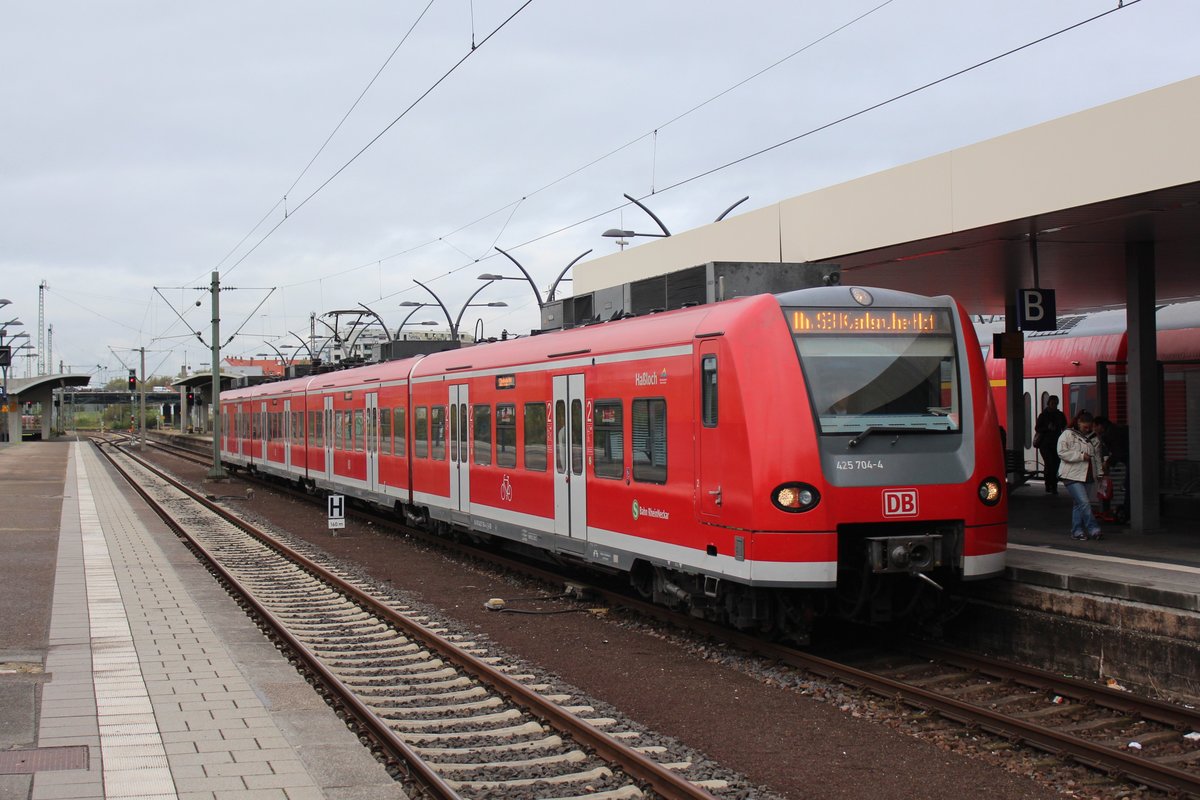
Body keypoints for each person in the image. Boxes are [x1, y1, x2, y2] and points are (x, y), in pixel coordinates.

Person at [1057, 410, 1104, 541]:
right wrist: (1081, 456)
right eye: (1085, 427)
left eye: (1089, 427)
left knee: (1079, 504)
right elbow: (1061, 452)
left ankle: (1077, 531)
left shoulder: (1094, 438)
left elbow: (1097, 457)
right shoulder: (1068, 434)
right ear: (1079, 423)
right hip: (1071, 475)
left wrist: (1099, 472)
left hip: (1088, 475)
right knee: (1084, 503)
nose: (1087, 429)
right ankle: (1094, 529)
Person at [1034, 395, 1068, 493]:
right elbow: (1037, 428)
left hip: (1057, 443)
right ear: (1048, 403)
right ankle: (1049, 485)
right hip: (1045, 444)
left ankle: (1053, 484)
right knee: (1049, 464)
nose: (1054, 405)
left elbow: (1064, 426)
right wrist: (1047, 428)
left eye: (1055, 404)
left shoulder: (1060, 415)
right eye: (1052, 403)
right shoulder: (1043, 415)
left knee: (1056, 464)